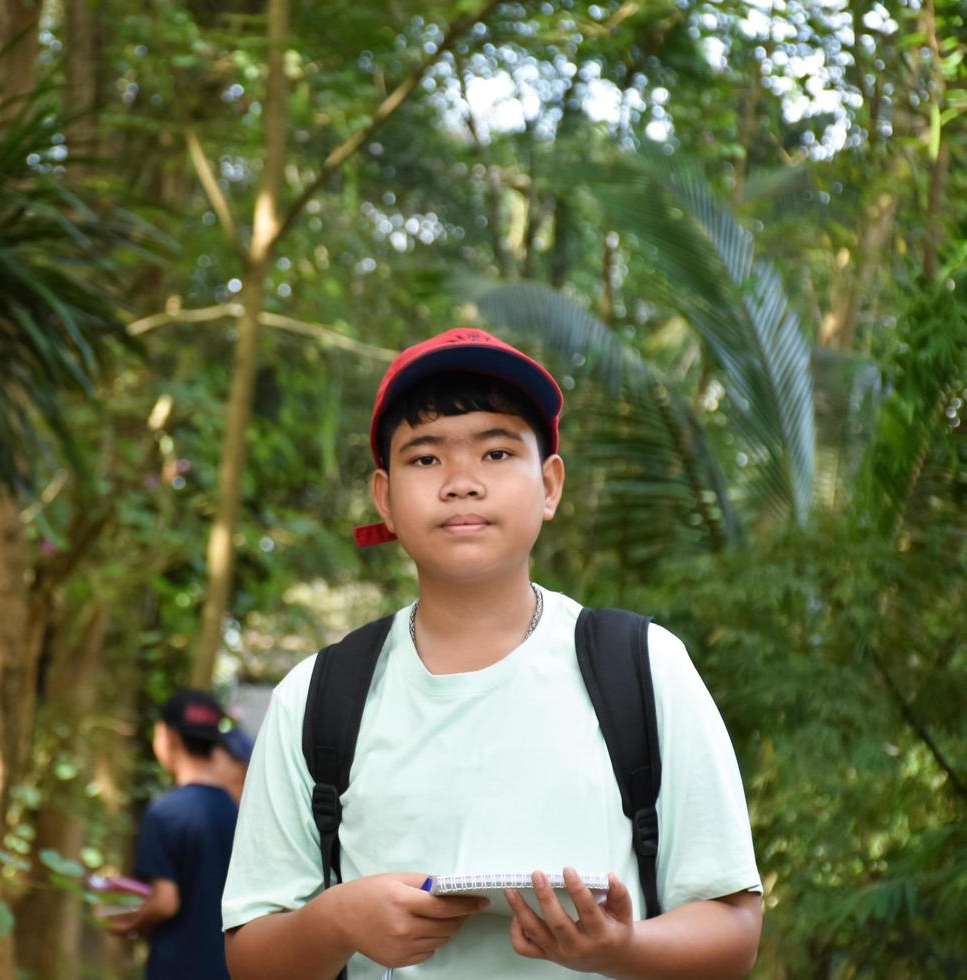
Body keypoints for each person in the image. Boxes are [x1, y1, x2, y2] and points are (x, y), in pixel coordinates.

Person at [221, 328, 763, 978]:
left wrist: (622, 949)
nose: (461, 482)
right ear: (385, 500)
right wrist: (338, 920)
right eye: (425, 459)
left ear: (550, 485)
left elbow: (734, 927)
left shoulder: (644, 667)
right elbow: (251, 959)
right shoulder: (316, 698)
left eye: (498, 452)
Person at [110, 689, 242, 979]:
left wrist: (131, 923)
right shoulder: (237, 812)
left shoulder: (165, 812)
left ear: (168, 737)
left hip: (177, 967)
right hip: (227, 967)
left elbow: (166, 902)